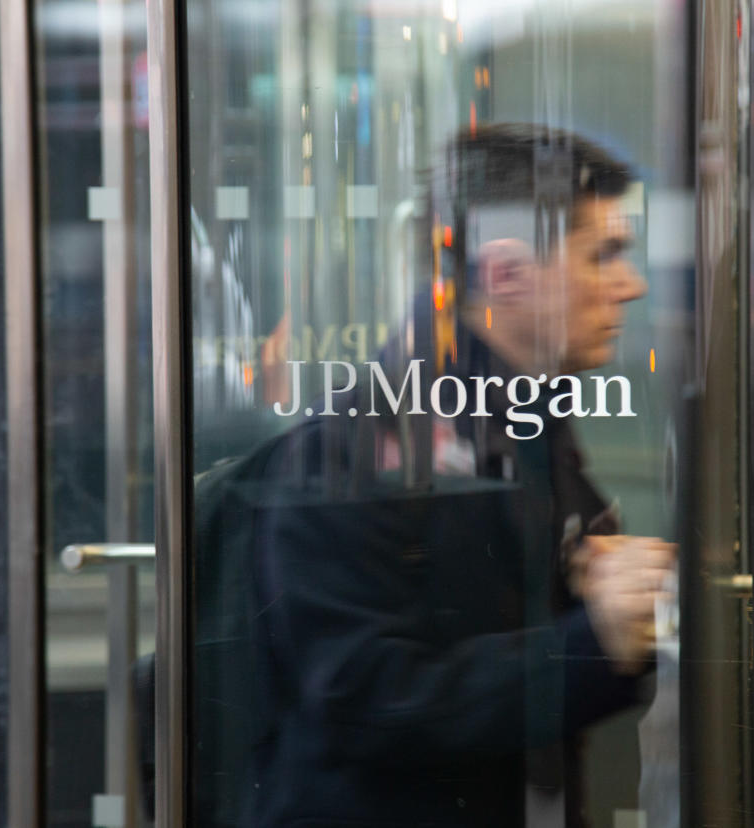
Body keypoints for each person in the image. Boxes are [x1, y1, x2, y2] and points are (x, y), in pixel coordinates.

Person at [241, 123, 676, 828]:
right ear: (504, 273)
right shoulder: (351, 444)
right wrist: (593, 640)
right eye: (604, 257)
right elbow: (365, 697)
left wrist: (612, 599)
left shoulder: (527, 418)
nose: (630, 285)